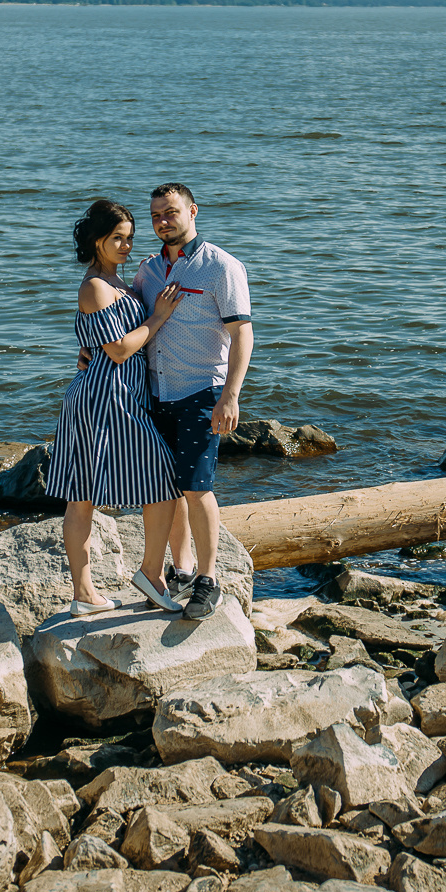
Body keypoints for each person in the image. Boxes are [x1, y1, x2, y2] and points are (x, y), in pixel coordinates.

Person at [45, 199, 188, 616]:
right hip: (105, 397)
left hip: (118, 392)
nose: (126, 246)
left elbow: (98, 343)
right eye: (117, 239)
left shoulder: (118, 282)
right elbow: (121, 349)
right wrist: (159, 316)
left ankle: (91, 594)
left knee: (91, 492)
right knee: (135, 483)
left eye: (129, 238)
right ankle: (119, 583)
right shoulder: (94, 285)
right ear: (96, 241)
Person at [130, 182, 254, 621]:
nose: (163, 221)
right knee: (168, 487)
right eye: (156, 215)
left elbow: (243, 334)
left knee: (198, 488)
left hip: (201, 392)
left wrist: (230, 396)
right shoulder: (147, 270)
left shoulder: (220, 266)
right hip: (155, 393)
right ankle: (179, 571)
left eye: (171, 212)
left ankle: (208, 580)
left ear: (193, 211)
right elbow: (125, 318)